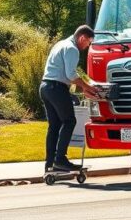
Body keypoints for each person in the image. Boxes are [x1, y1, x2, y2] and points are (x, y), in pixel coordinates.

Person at [40, 24, 97, 172]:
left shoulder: (61, 43)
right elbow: (70, 75)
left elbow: (67, 74)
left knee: (54, 126)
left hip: (46, 87)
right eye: (88, 42)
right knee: (69, 120)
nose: (87, 46)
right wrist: (87, 87)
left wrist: (82, 86)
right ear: (82, 37)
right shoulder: (72, 49)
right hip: (57, 88)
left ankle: (50, 163)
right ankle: (60, 159)